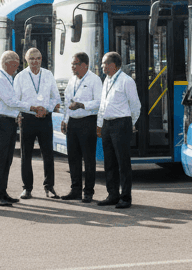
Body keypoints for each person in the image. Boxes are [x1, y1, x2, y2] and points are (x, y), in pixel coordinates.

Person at [0, 50, 46, 206]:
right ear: (9, 63)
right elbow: (11, 101)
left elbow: (12, 103)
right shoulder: (0, 79)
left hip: (8, 121)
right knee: (1, 159)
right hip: (1, 122)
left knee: (7, 159)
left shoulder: (8, 78)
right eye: (16, 63)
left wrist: (17, 114)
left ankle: (2, 192)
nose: (18, 66)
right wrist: (33, 108)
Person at [15, 46, 62, 199]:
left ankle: (49, 187)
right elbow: (16, 101)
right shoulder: (20, 77)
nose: (35, 62)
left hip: (45, 118)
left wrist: (46, 109)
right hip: (28, 119)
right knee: (26, 155)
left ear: (42, 59)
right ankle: (27, 188)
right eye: (31, 59)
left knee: (48, 154)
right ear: (26, 60)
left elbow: (56, 98)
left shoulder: (48, 75)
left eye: (38, 58)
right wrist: (31, 110)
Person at [97, 51, 140, 209]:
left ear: (113, 65)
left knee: (123, 163)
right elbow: (103, 105)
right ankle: (112, 194)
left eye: (104, 64)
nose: (102, 66)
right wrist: (100, 124)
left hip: (121, 124)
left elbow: (136, 106)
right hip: (107, 125)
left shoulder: (126, 81)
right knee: (109, 162)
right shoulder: (106, 81)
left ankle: (126, 197)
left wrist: (129, 123)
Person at [59, 51, 102, 203]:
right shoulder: (72, 80)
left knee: (88, 159)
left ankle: (88, 192)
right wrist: (65, 120)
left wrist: (82, 105)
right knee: (73, 158)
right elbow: (66, 102)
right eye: (72, 64)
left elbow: (99, 102)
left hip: (87, 122)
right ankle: (75, 189)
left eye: (75, 64)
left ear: (84, 65)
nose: (72, 67)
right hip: (73, 122)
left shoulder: (94, 80)